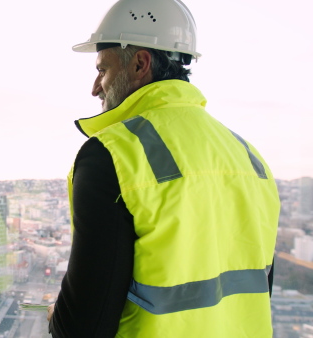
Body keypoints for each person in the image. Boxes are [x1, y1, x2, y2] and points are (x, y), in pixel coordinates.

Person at [46, 0, 280, 336]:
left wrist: (58, 318)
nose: (95, 88)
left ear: (140, 63)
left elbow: (84, 325)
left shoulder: (113, 154)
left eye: (102, 70)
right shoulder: (249, 157)